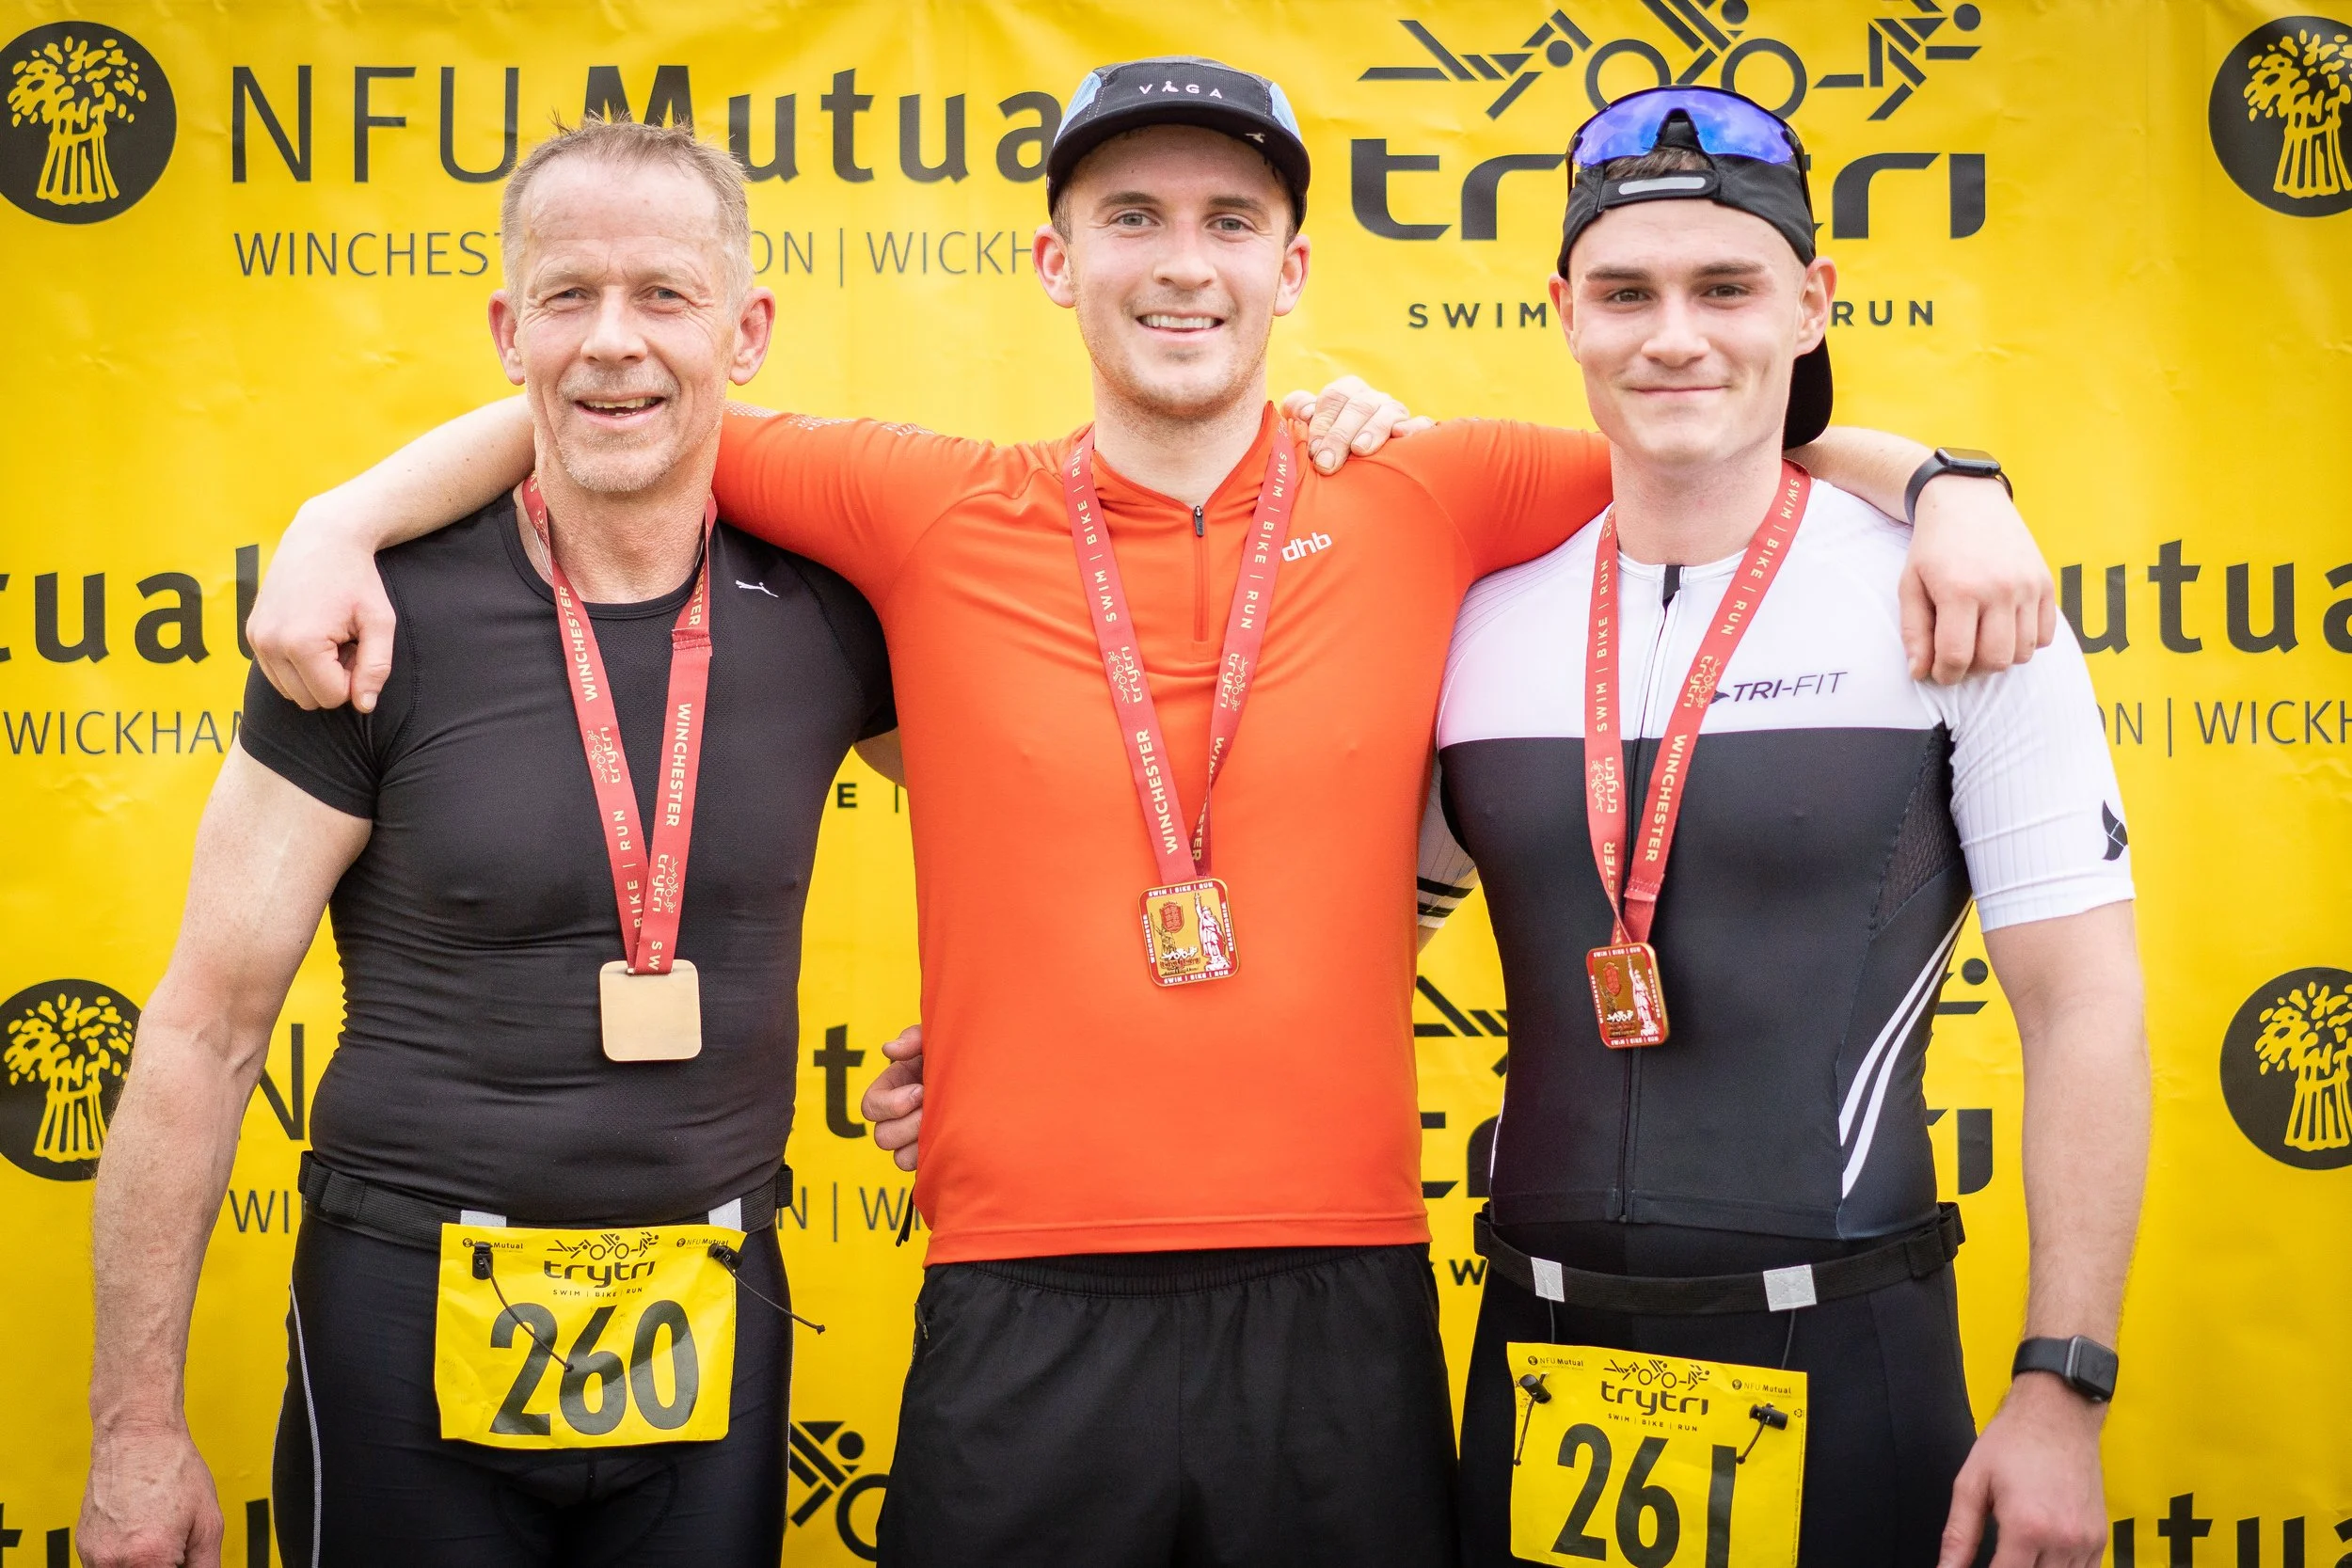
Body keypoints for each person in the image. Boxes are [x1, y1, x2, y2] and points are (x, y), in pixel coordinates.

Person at [244, 59, 2058, 1568]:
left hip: (1338, 1301)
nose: (1178, 265)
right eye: (1131, 219)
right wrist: (338, 518)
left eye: (1227, 224)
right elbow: (620, 402)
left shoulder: (1431, 485)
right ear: (1054, 260)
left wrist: (1955, 482)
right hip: (1021, 1306)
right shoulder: (923, 505)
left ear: (1291, 273)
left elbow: (1738, 433)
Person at [75, 120, 900, 1568]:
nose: (612, 345)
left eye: (664, 295)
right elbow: (205, 1030)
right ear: (508, 330)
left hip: (717, 1313)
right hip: (404, 1318)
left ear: (748, 329)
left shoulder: (831, 608)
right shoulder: (371, 622)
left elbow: (1044, 790)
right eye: (568, 296)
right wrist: (134, 1427)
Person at [1416, 87, 2147, 1568]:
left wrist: (2062, 1386)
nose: (1673, 335)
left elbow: (2085, 1007)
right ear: (1563, 310)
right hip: (1531, 1343)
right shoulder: (1475, 614)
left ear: (1811, 303)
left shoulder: (1963, 604)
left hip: (1850, 1358)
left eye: (1726, 287)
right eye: (1626, 292)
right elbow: (1336, 947)